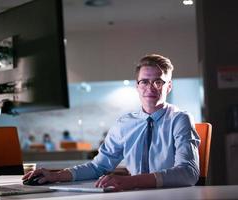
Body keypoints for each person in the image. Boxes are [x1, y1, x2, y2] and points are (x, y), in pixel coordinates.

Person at [23, 54, 200, 191]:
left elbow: (188, 173)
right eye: (144, 81)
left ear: (169, 86)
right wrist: (56, 176)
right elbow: (98, 166)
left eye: (158, 82)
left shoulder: (180, 119)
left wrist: (130, 181)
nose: (151, 87)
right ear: (137, 86)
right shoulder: (125, 124)